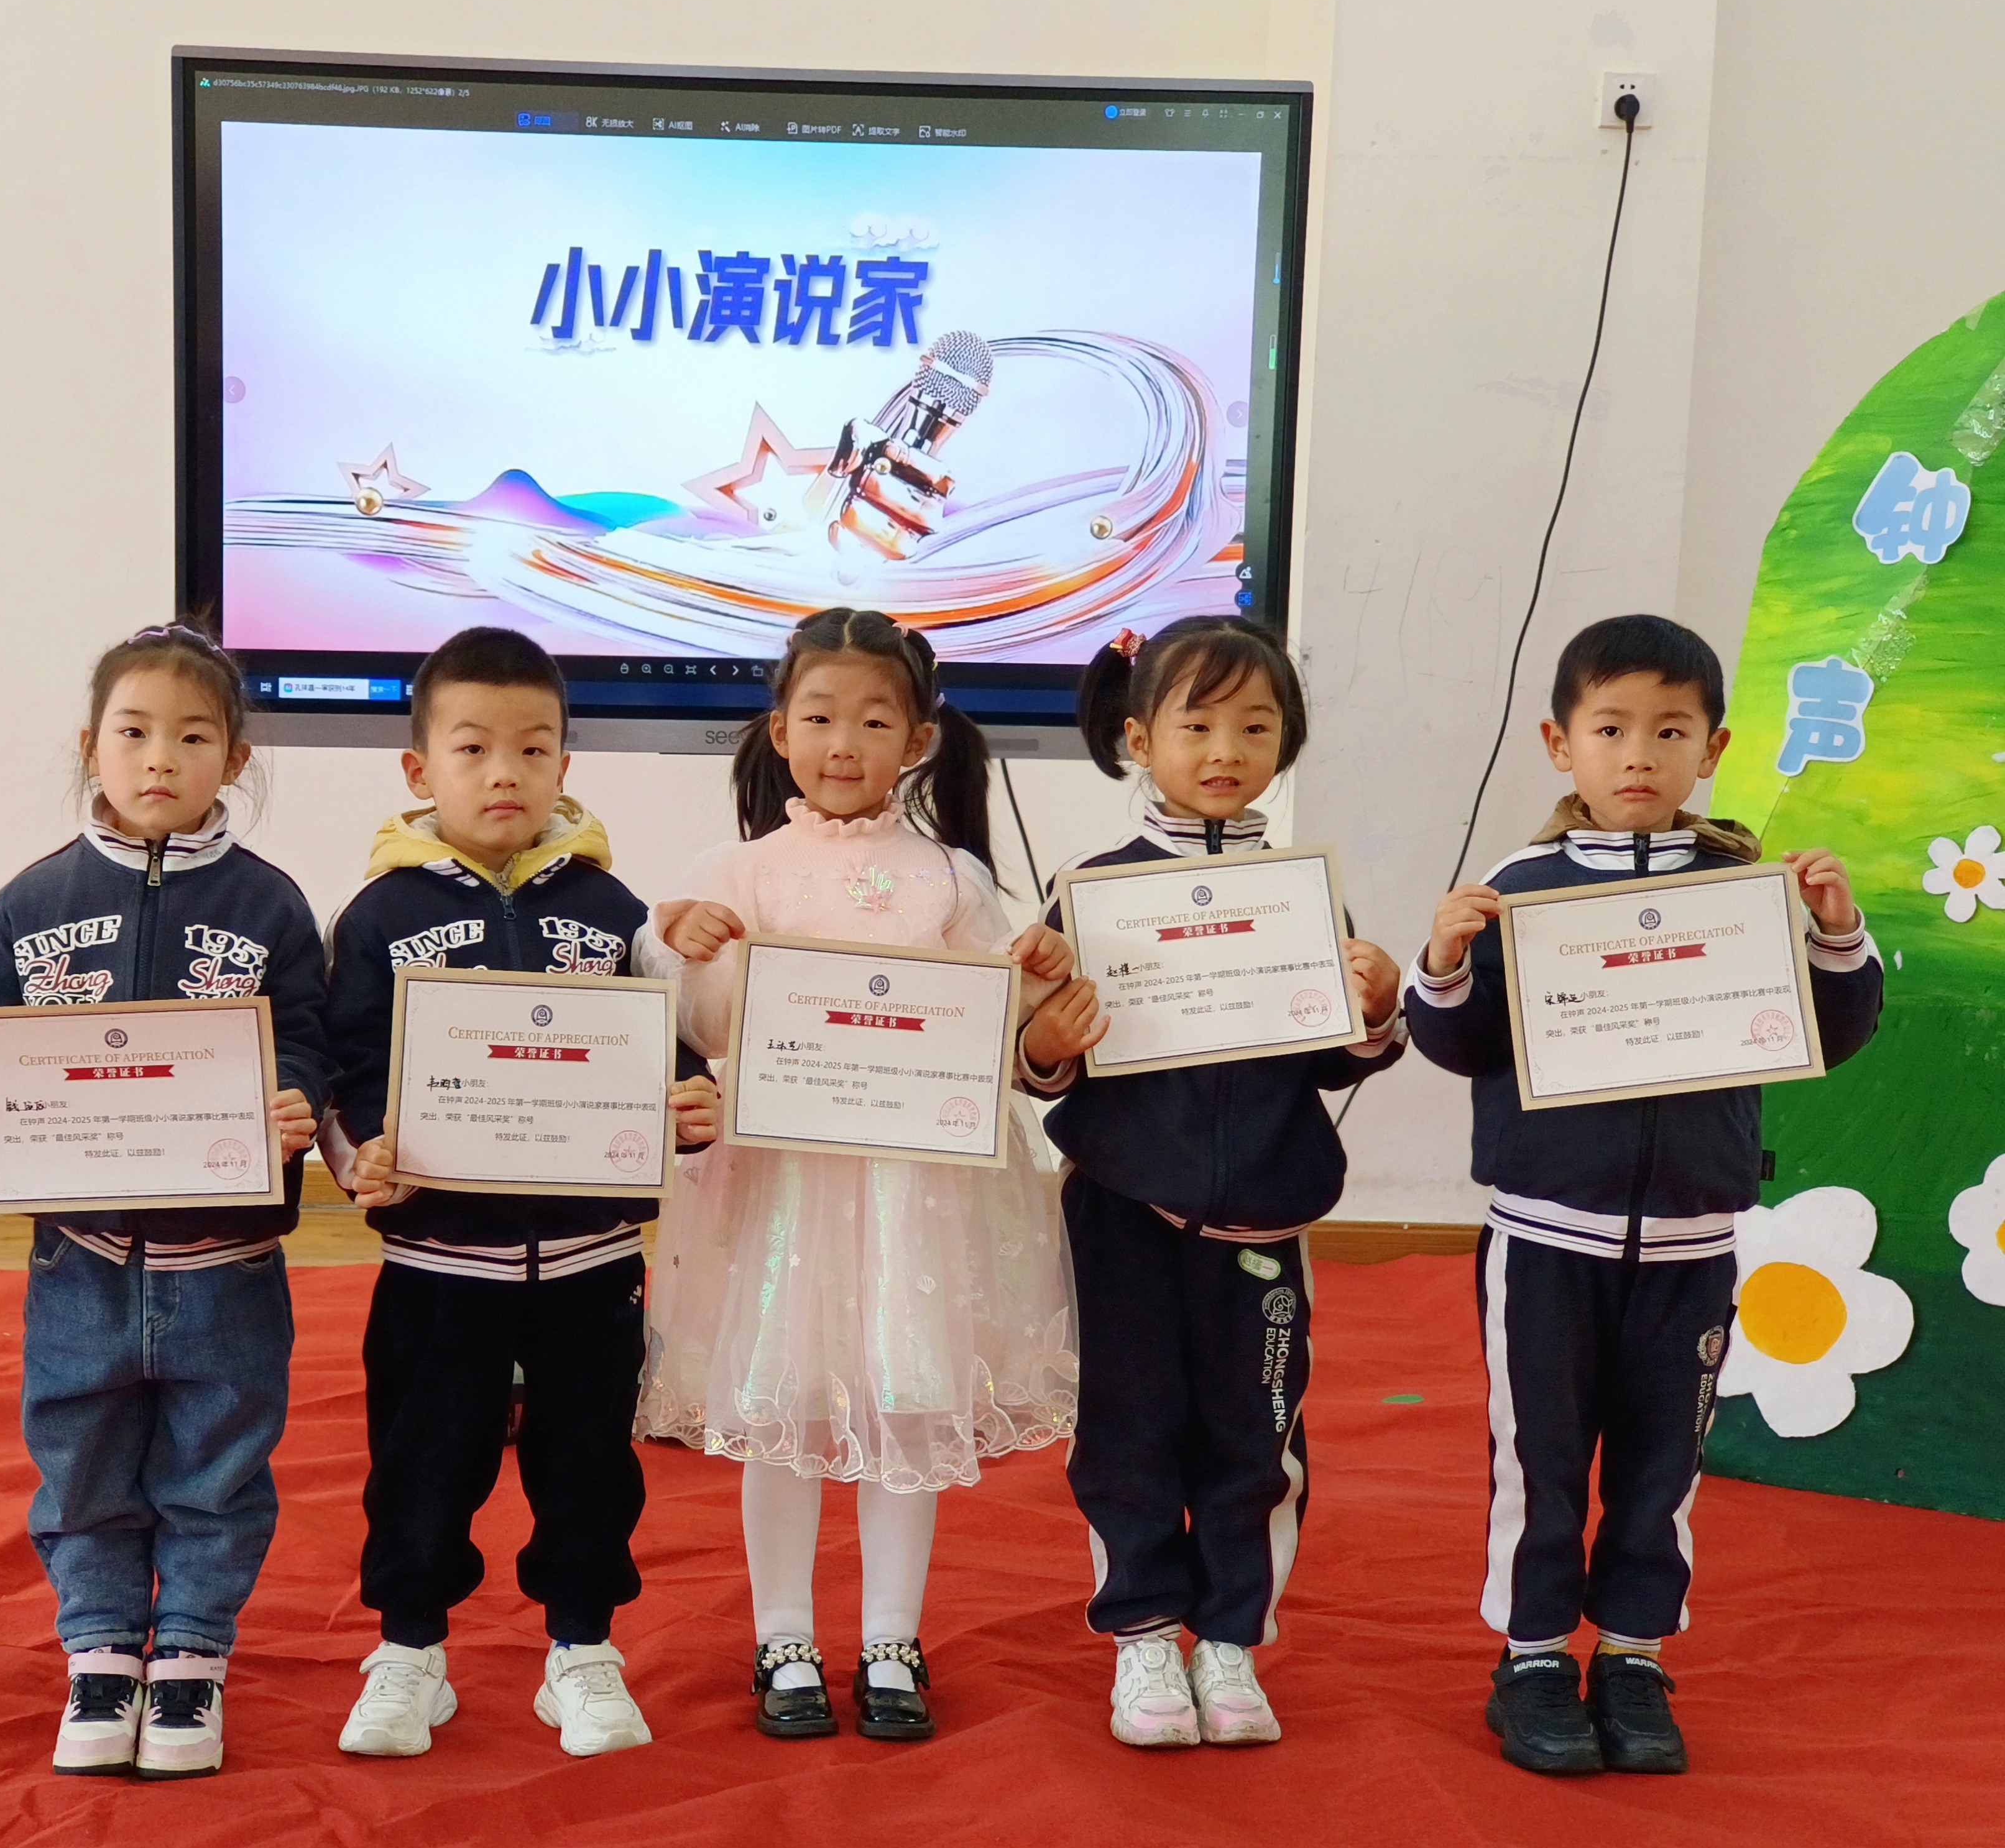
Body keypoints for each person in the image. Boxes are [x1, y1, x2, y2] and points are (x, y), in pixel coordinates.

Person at [1406, 614, 1882, 1777]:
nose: (1638, 755)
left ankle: (1632, 1654)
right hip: (1545, 1237)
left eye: (1669, 732)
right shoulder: (1517, 888)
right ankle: (1530, 1658)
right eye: (1610, 728)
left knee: (1664, 1463)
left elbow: (1827, 1033)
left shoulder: (1743, 888)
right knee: (1542, 1458)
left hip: (1693, 1242)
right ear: (1558, 744)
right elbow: (1461, 1044)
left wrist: (1834, 934)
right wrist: (1446, 961)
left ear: (1711, 749)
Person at [635, 607, 1077, 1744]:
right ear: (780, 732)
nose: (845, 744)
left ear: (918, 741)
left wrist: (1035, 969)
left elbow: (998, 1021)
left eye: (875, 722)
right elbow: (696, 1020)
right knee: (778, 1398)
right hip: (779, 1188)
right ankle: (784, 1634)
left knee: (907, 1395)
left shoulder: (950, 879)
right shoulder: (735, 872)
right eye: (821, 718)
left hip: (911, 1195)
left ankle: (891, 1636)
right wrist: (675, 942)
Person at [0, 623, 327, 1782]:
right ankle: (100, 1653)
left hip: (228, 1262)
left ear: (235, 760)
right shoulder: (33, 899)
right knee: (81, 1458)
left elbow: (306, 1037)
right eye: (135, 732)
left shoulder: (270, 906)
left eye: (194, 738)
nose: (161, 758)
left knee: (219, 1465)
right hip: (81, 1259)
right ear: (89, 746)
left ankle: (193, 1655)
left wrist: (298, 1098)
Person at [323, 627, 719, 1761]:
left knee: (590, 1466)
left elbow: (666, 1052)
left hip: (592, 1264)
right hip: (437, 1266)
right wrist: (362, 1161)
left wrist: (690, 1106)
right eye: (474, 749)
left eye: (533, 749)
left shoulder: (616, 911)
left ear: (564, 765)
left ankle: (581, 1652)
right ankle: (409, 1653)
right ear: (420, 769)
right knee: (420, 1465)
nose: (505, 773)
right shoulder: (377, 916)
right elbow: (347, 1074)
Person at [1018, 620, 1406, 1750]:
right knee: (1128, 1426)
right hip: (1122, 1214)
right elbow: (1040, 1063)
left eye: (1256, 726)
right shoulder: (1089, 895)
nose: (1226, 750)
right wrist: (1048, 1039)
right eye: (1197, 724)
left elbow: (1330, 1055)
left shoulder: (1301, 896)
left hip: (1263, 1221)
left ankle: (1232, 1641)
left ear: (1287, 741)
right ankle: (1144, 1637)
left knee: (1258, 1434)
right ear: (1140, 739)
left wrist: (1375, 1008)